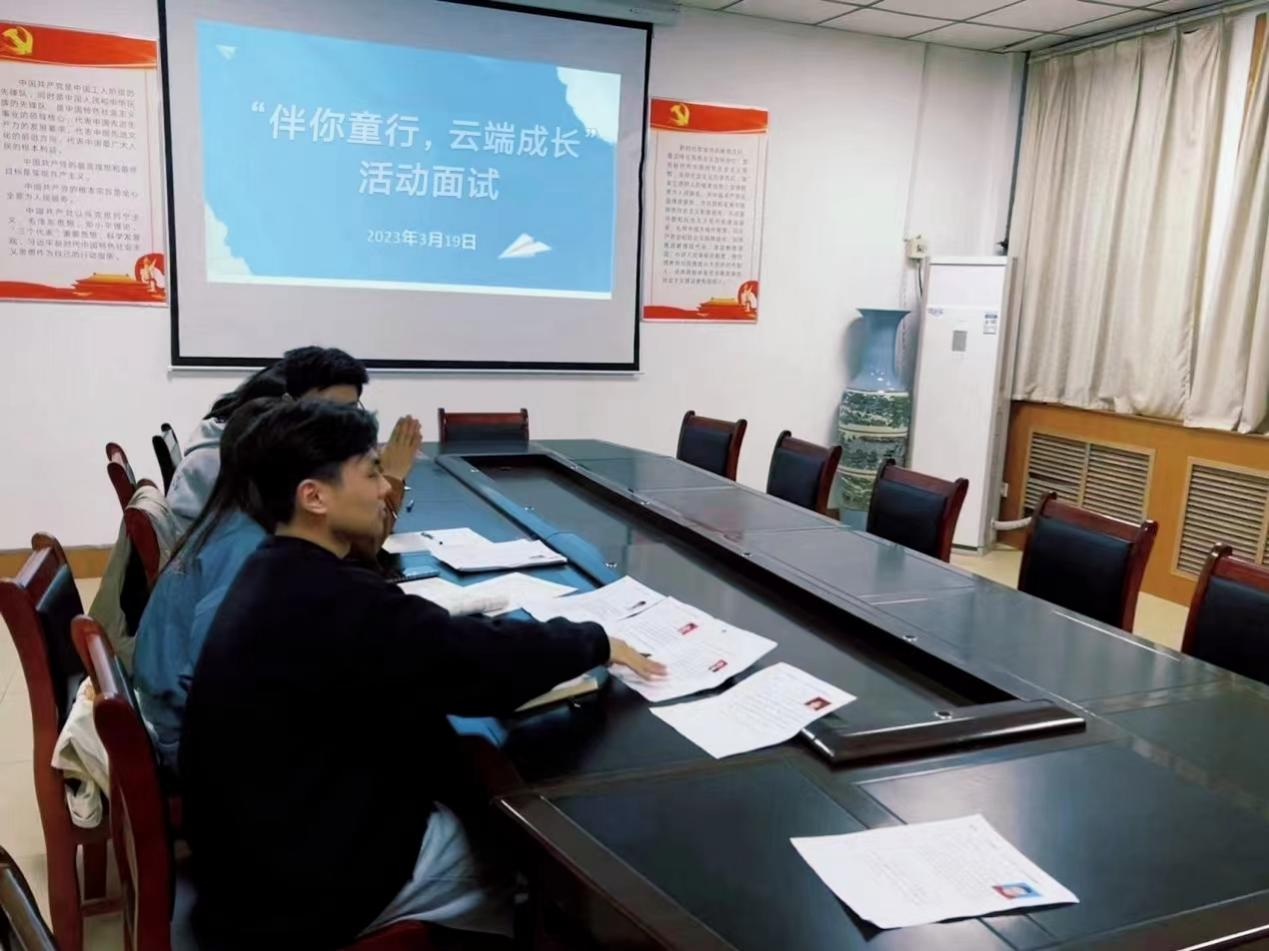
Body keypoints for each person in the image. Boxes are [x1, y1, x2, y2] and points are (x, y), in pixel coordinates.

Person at [179, 400, 664, 948]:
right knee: (519, 854)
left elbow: (423, 648)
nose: (385, 490)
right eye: (371, 474)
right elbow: (474, 663)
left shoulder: (275, 570)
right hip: (293, 890)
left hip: (251, 859)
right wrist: (596, 641)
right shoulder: (333, 599)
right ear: (314, 497)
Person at [132, 397, 278, 769]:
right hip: (187, 741)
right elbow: (218, 688)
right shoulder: (248, 549)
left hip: (173, 715)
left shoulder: (232, 516)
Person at [166, 345, 422, 532]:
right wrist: (391, 477)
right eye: (329, 410)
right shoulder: (251, 462)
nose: (342, 422)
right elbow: (350, 544)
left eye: (351, 410)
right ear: (288, 405)